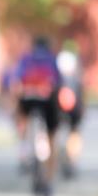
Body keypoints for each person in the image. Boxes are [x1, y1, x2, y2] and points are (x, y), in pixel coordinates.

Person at [11, 35, 62, 182]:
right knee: (52, 134)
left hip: (27, 99)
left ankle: (24, 149)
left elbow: (17, 81)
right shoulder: (52, 58)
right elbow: (59, 82)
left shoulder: (26, 58)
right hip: (47, 100)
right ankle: (50, 176)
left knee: (22, 121)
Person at [55, 44, 85, 178]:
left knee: (54, 132)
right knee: (74, 133)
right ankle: (72, 160)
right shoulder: (76, 81)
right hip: (74, 110)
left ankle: (56, 158)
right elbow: (81, 100)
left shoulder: (56, 80)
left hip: (59, 110)